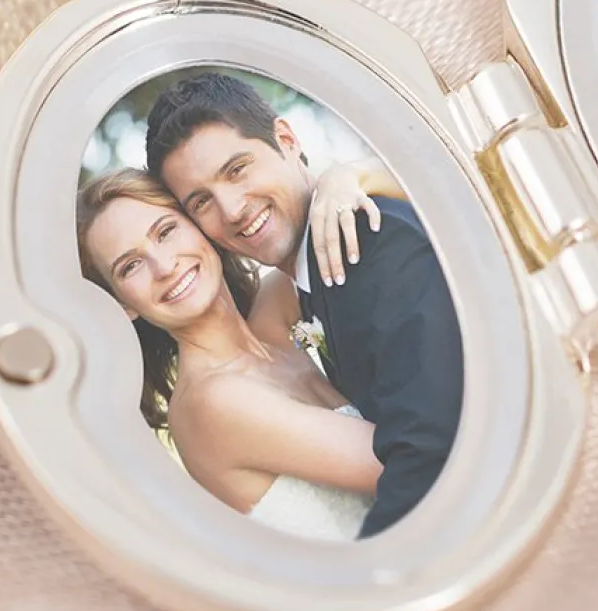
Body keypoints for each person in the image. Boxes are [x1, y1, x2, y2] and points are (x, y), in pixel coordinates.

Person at [146, 72, 463, 537]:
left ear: (287, 140)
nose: (231, 209)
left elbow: (435, 449)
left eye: (237, 170)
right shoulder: (296, 288)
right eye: (201, 203)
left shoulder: (373, 243)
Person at [76, 169, 380, 540]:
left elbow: (326, 216)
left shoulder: (271, 319)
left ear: (200, 226)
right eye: (130, 266)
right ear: (122, 304)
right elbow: (408, 459)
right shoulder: (210, 403)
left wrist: (341, 178)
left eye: (165, 231)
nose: (165, 266)